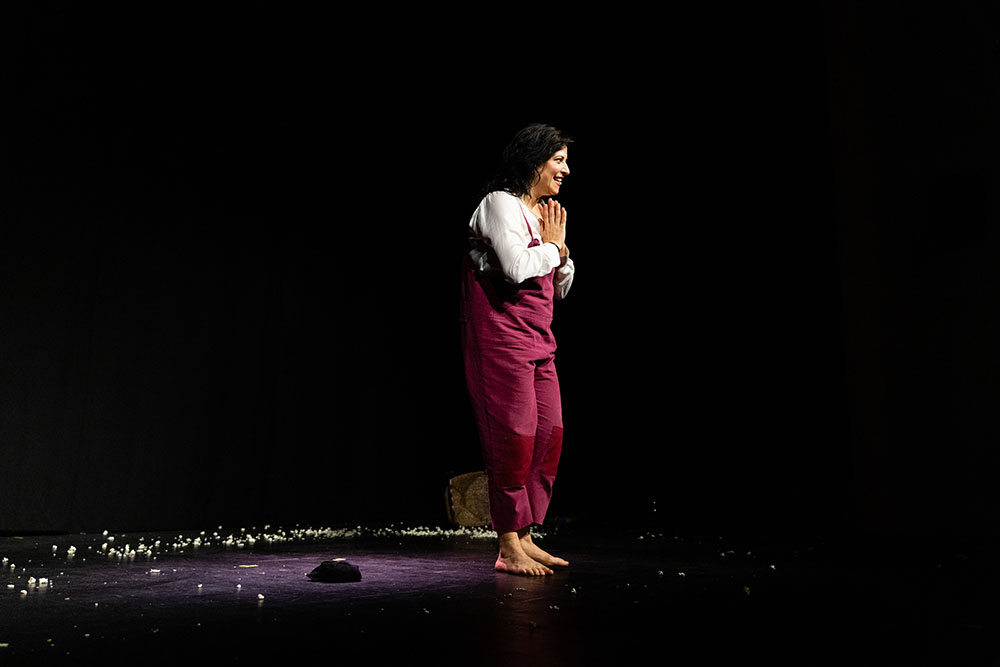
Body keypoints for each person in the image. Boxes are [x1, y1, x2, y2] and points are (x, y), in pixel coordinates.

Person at [460, 124, 575, 576]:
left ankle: (526, 535)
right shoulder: (499, 204)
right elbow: (514, 267)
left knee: (548, 435)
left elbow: (561, 284)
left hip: (539, 339)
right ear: (534, 160)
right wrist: (553, 249)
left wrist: (558, 252)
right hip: (501, 338)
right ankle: (508, 545)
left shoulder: (540, 214)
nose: (566, 170)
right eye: (558, 160)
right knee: (513, 439)